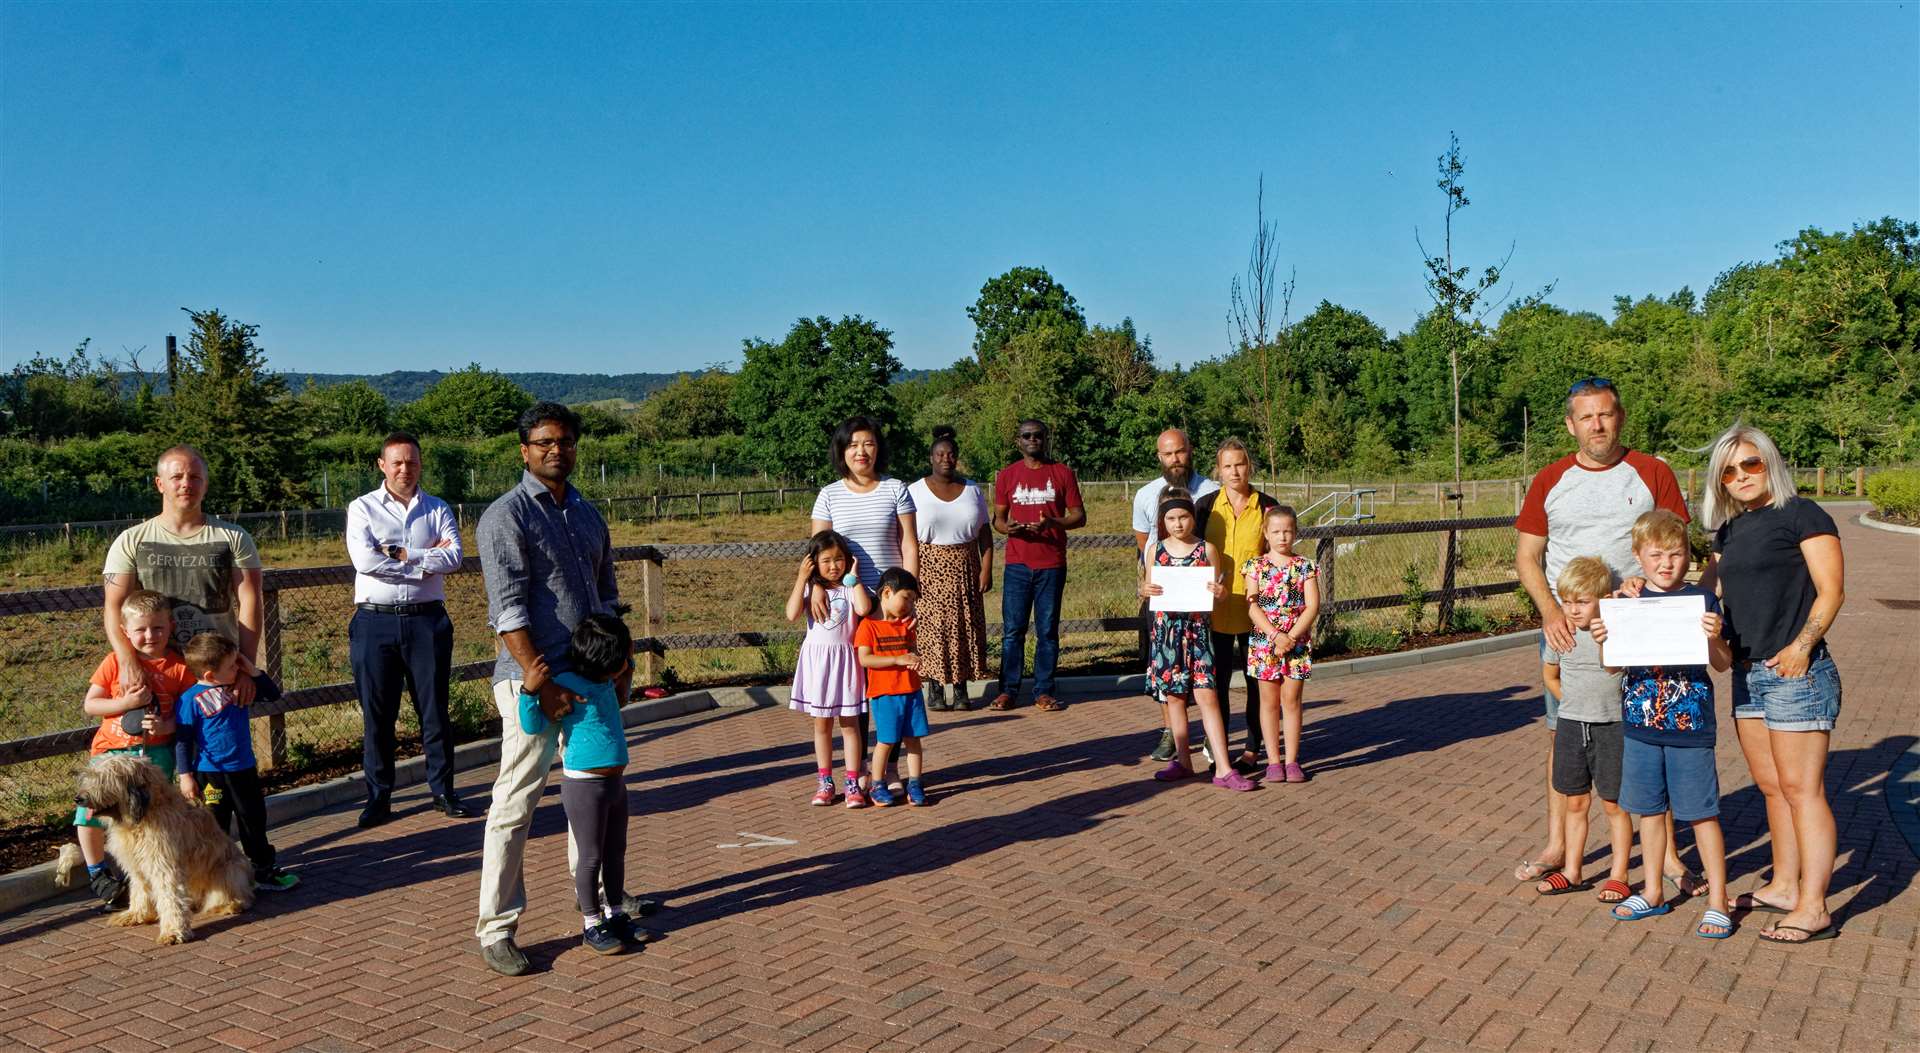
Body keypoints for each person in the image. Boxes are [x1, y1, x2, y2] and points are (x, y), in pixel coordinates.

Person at [476, 402, 656, 978]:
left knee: (593, 797)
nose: (558, 450)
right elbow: (506, 608)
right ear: (524, 450)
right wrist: (540, 681)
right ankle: (497, 927)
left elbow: (606, 597)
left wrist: (621, 663)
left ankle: (599, 908)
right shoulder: (506, 516)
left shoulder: (585, 512)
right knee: (516, 803)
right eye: (545, 442)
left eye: (567, 441)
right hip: (532, 682)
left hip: (592, 684)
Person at [1512, 378, 1695, 891]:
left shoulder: (1652, 472)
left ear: (1620, 417)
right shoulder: (1550, 480)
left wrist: (1644, 583)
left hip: (1632, 627)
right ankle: (1558, 845)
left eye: (1606, 414)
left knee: (1647, 732)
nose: (1598, 425)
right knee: (1564, 731)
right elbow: (1528, 557)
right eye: (1586, 417)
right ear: (1571, 425)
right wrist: (1550, 612)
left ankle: (1670, 853)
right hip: (1566, 627)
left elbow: (1672, 545)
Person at [1703, 423, 1845, 944]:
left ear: (1770, 463)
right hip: (1746, 675)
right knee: (1772, 788)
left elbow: (1831, 592)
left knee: (1803, 790)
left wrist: (1802, 646)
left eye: (1751, 464)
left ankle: (1814, 905)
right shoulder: (1729, 532)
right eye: (1729, 470)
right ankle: (1785, 885)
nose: (1741, 475)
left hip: (1795, 673)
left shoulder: (1804, 514)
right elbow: (1700, 593)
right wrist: (1640, 589)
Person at [1592, 510, 1732, 939]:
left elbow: (1723, 665)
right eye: (1656, 555)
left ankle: (1718, 901)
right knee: (1649, 812)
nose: (1666, 563)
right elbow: (1612, 667)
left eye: (1675, 554)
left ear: (1688, 556)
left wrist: (1714, 637)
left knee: (1701, 814)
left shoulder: (1702, 602)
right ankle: (1653, 891)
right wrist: (1604, 641)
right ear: (1639, 556)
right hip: (1638, 727)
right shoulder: (1625, 603)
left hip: (1690, 728)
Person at [345, 431, 468, 828]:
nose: (404, 468)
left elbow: (453, 557)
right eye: (396, 461)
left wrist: (401, 553)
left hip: (426, 621)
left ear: (420, 464)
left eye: (411, 461)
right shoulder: (362, 508)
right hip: (374, 622)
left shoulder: (437, 508)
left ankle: (443, 791)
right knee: (377, 716)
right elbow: (365, 559)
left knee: (434, 711)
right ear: (382, 464)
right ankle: (379, 798)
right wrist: (424, 561)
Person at [516, 611, 649, 955]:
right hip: (584, 787)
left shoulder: (606, 683)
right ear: (608, 660)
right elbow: (533, 725)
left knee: (616, 852)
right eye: (624, 655)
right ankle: (592, 923)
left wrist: (628, 667)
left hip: (615, 784)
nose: (627, 660)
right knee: (590, 856)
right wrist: (529, 692)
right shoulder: (567, 686)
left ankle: (615, 913)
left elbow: (620, 699)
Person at [103, 445, 265, 715]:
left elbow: (250, 602)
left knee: (220, 752)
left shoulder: (234, 537)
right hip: (155, 673)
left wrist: (245, 667)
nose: (186, 484)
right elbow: (113, 607)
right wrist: (127, 661)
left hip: (216, 674)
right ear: (160, 484)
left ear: (205, 485)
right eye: (177, 477)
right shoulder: (131, 541)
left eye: (195, 478)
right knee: (158, 752)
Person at [809, 415, 918, 792]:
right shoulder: (829, 494)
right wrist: (817, 588)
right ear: (842, 451)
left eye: (868, 443)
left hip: (886, 608)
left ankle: (887, 769)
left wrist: (909, 595)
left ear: (878, 448)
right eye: (853, 444)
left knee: (893, 687)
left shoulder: (896, 489)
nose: (861, 451)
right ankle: (855, 775)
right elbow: (817, 552)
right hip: (843, 607)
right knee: (855, 692)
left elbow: (908, 544)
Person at [73, 589, 195, 911]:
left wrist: (167, 726)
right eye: (140, 629)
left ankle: (141, 874)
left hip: (154, 756)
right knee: (90, 812)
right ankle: (98, 871)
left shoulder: (180, 669)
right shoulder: (114, 662)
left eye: (157, 628)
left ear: (170, 626)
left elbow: (186, 715)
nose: (149, 635)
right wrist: (126, 703)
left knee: (148, 817)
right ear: (125, 631)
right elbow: (91, 704)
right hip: (111, 753)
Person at [1531, 558, 1632, 905]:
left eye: (1582, 602)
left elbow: (1617, 668)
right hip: (1572, 726)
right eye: (1567, 602)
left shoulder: (1614, 632)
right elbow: (1549, 676)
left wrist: (1608, 636)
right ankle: (1572, 871)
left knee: (1614, 804)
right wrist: (1571, 703)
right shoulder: (1562, 634)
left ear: (1603, 599)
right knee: (1575, 801)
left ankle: (1619, 875)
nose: (1573, 610)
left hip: (1612, 726)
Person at [1140, 491, 1256, 791]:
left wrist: (1220, 594)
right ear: (1163, 522)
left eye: (1183, 516)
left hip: (1198, 632)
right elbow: (1148, 586)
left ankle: (1224, 768)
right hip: (1167, 633)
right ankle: (1183, 761)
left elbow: (1219, 593)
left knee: (1207, 696)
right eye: (1171, 518)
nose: (1178, 524)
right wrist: (1145, 590)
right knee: (1175, 698)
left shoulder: (1207, 550)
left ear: (1193, 517)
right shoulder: (1155, 550)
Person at [174, 632, 300, 892]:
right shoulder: (189, 700)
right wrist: (185, 775)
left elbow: (272, 695)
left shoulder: (238, 687)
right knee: (214, 826)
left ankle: (263, 869)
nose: (238, 668)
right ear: (210, 675)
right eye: (233, 666)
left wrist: (250, 670)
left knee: (252, 819)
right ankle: (213, 879)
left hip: (244, 770)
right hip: (211, 774)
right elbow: (183, 741)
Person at [1134, 428, 1219, 762]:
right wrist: (1151, 584)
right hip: (1166, 600)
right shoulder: (1144, 495)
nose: (1175, 459)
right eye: (1167, 454)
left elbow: (1215, 547)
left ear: (1190, 450)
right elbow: (1145, 547)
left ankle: (1214, 737)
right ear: (1159, 457)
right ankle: (1171, 733)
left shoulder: (1212, 491)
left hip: (1202, 601)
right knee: (1167, 672)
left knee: (1208, 673)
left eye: (1180, 452)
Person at [989, 418, 1085, 712]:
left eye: (1038, 435)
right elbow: (998, 520)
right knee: (1013, 630)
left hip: (1051, 563)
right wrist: (1010, 529)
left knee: (1047, 630)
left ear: (1046, 439)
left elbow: (1079, 516)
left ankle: (1044, 690)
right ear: (1018, 441)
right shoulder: (1006, 475)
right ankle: (1008, 690)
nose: (1033, 440)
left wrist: (1053, 522)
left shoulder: (1062, 473)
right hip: (1018, 563)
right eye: (1027, 436)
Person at [1197, 438, 1280, 773]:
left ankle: (1252, 747)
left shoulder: (1268, 505)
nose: (1234, 471)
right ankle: (1218, 747)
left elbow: (1277, 554)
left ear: (1250, 466)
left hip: (1254, 609)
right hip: (1213, 608)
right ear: (1218, 469)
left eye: (1240, 464)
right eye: (1227, 465)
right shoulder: (1204, 507)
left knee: (1254, 681)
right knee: (1215, 683)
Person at [784, 530, 873, 807]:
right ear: (814, 562)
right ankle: (824, 781)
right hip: (818, 664)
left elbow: (864, 607)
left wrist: (854, 578)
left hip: (845, 663)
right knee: (821, 726)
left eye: (839, 559)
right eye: (826, 560)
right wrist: (803, 578)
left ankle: (851, 781)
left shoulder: (849, 586)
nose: (834, 565)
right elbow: (791, 614)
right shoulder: (811, 589)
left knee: (850, 726)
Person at [910, 426, 994, 711]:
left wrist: (986, 568)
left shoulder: (972, 490)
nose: (946, 458)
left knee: (965, 626)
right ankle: (934, 687)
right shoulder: (915, 491)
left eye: (951, 454)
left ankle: (961, 689)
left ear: (957, 458)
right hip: (928, 567)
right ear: (931, 458)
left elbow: (984, 532)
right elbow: (906, 536)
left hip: (966, 566)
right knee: (933, 628)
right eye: (939, 454)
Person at [1242, 505, 1319, 784]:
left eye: (1287, 531)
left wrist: (1292, 637)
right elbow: (1251, 606)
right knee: (1269, 701)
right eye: (1275, 531)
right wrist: (1275, 636)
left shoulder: (1305, 566)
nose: (1282, 536)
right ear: (1265, 533)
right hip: (1266, 641)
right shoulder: (1255, 567)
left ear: (1296, 532)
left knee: (1292, 700)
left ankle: (1292, 760)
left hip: (1296, 642)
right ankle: (1273, 761)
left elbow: (1312, 605)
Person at [855, 568, 929, 807]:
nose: (909, 605)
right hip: (885, 695)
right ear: (887, 593)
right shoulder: (868, 626)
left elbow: (911, 652)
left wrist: (915, 659)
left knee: (914, 740)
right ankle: (877, 784)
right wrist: (897, 660)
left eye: (913, 601)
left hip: (912, 692)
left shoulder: (906, 625)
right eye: (906, 598)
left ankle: (915, 782)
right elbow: (865, 659)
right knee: (886, 741)